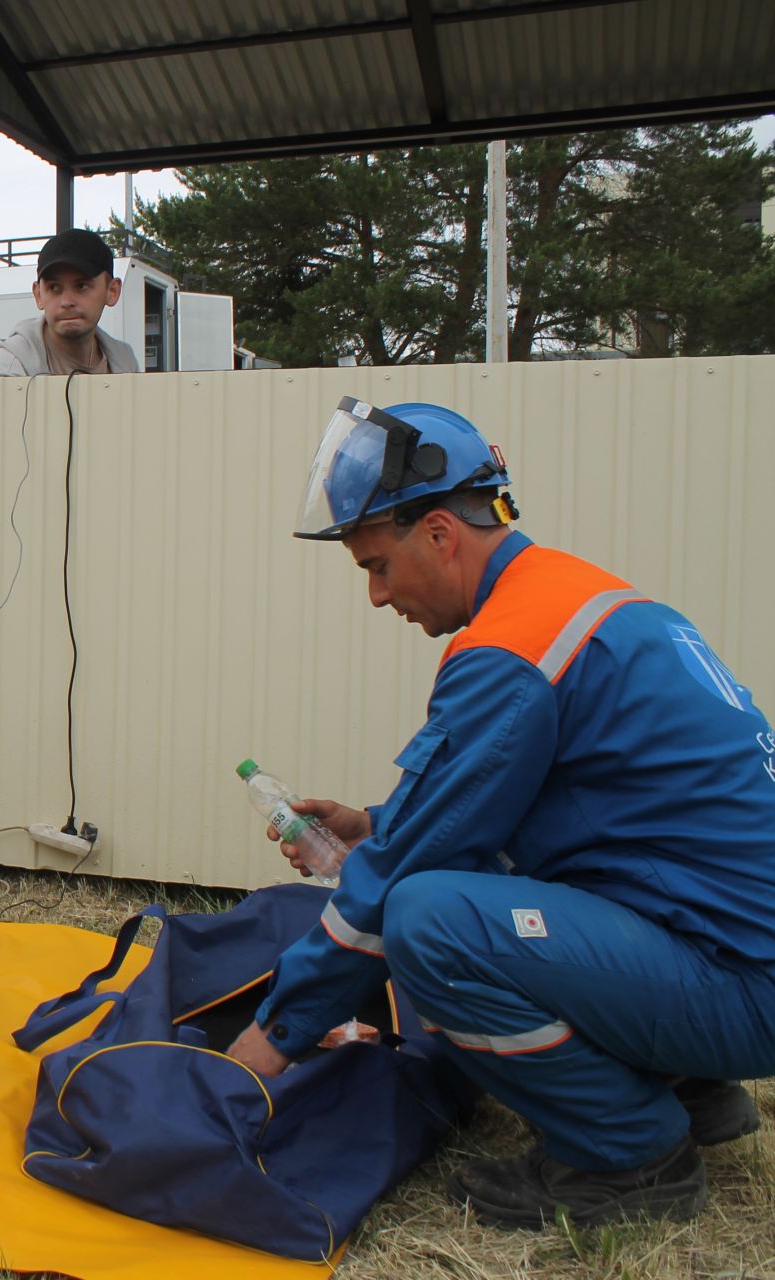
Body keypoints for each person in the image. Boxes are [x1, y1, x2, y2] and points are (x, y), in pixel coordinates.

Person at [225, 398, 775, 1229]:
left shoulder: (511, 651)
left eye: (377, 565)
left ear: (440, 534)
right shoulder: (584, 600)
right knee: (465, 877)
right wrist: (376, 825)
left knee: (429, 919)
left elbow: (396, 885)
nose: (378, 596)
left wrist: (272, 1039)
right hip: (738, 953)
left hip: (742, 987)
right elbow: (558, 808)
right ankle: (694, 1092)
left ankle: (632, 1158)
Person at [0, 229, 140, 377]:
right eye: (54, 287)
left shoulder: (126, 363)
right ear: (38, 295)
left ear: (112, 291)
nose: (67, 302)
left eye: (81, 286)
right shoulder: (9, 368)